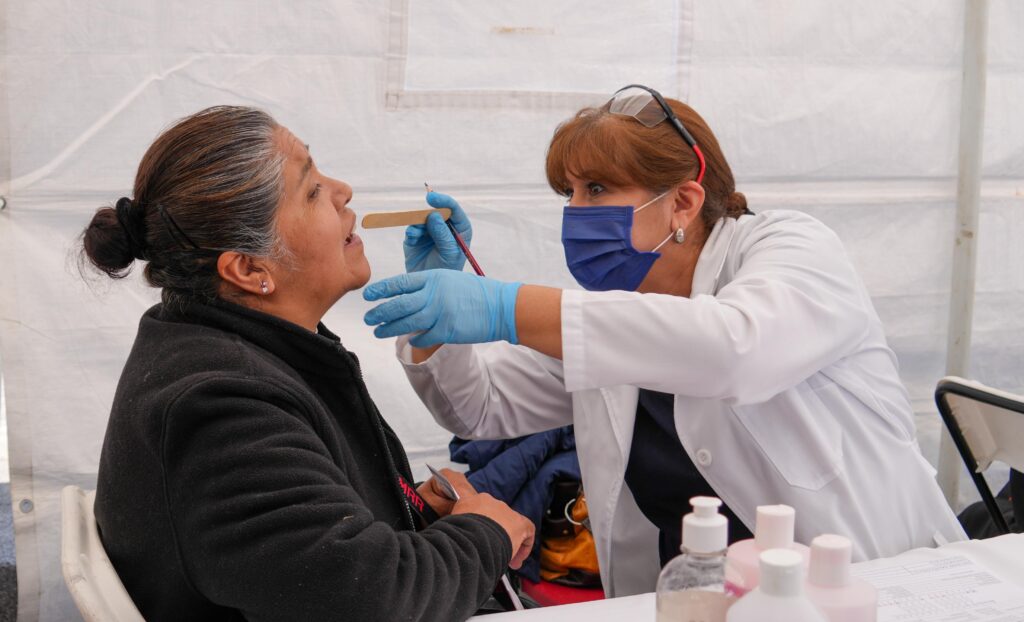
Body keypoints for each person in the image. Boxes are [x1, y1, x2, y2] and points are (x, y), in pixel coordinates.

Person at [362, 85, 967, 597]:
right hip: (696, 598)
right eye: (569, 193)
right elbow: (481, 408)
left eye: (597, 189)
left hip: (874, 583)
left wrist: (507, 308)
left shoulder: (791, 248)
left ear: (682, 202)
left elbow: (734, 351)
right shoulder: (616, 312)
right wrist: (434, 325)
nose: (576, 212)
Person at [80, 105, 534, 622]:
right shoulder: (221, 408)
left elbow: (297, 552)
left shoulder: (231, 351)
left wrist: (409, 508)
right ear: (249, 268)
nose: (343, 191)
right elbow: (371, 600)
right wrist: (484, 534)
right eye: (313, 190)